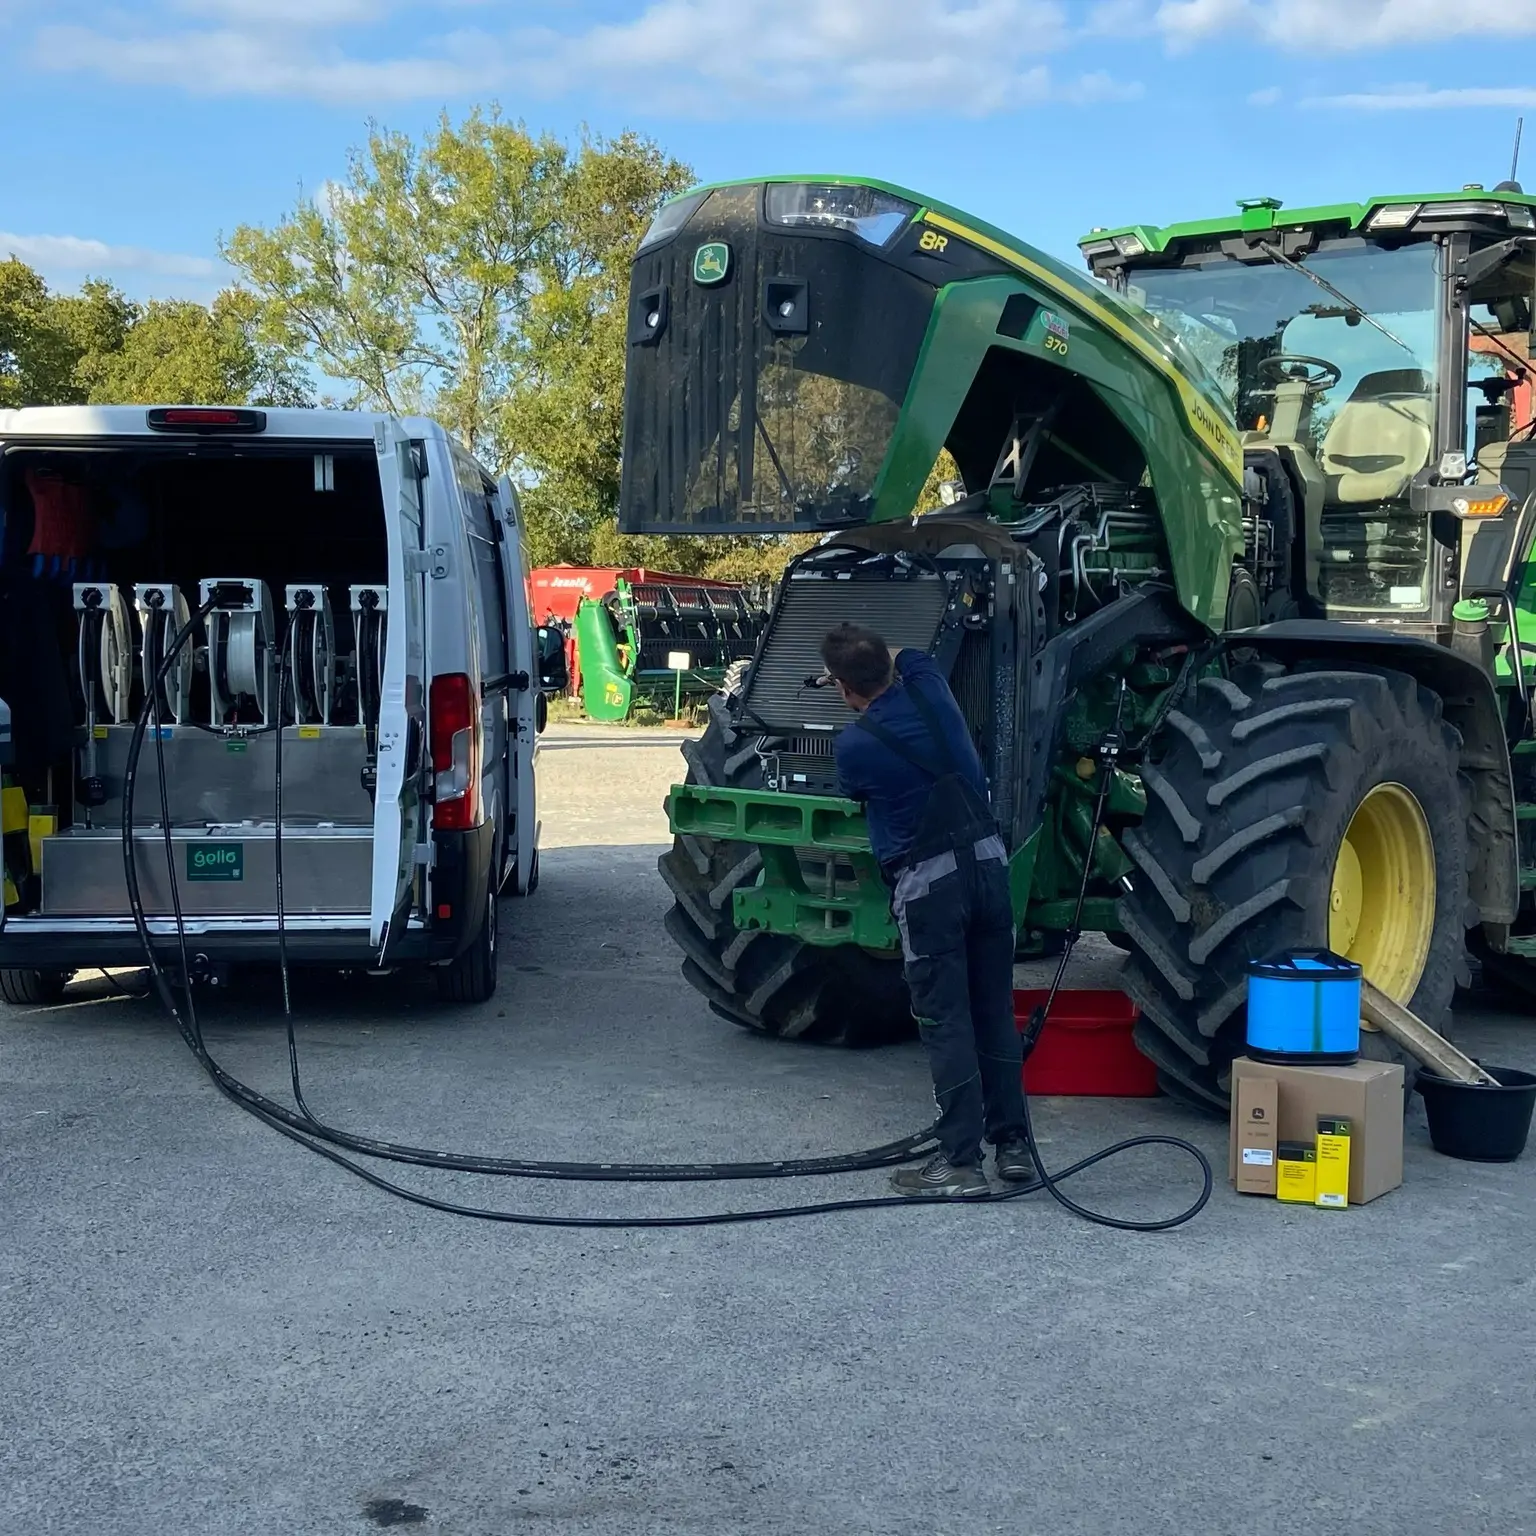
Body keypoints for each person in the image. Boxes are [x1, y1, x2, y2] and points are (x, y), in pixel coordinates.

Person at [820, 622, 1031, 1197]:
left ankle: (960, 1164)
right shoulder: (932, 686)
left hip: (930, 889)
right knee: (994, 1011)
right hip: (989, 869)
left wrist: (848, 684)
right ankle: (1014, 1147)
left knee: (946, 1022)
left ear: (842, 688)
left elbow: (853, 792)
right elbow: (907, 652)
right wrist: (866, 662)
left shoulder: (856, 745)